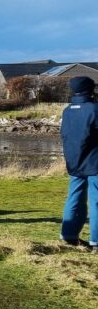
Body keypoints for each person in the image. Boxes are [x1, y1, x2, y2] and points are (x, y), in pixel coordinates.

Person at [59, 75, 98, 252]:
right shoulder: (94, 109)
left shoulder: (67, 111)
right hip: (94, 161)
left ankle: (68, 235)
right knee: (96, 201)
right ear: (91, 90)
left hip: (74, 161)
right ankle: (96, 240)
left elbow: (66, 135)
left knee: (74, 197)